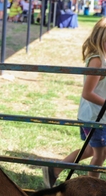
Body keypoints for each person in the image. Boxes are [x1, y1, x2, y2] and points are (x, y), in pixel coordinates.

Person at [43, 18, 106, 187]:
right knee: (99, 155)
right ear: (102, 39)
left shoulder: (102, 57)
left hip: (98, 115)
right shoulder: (97, 60)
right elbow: (88, 93)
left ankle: (55, 169)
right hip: (95, 117)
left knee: (91, 150)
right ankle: (93, 190)